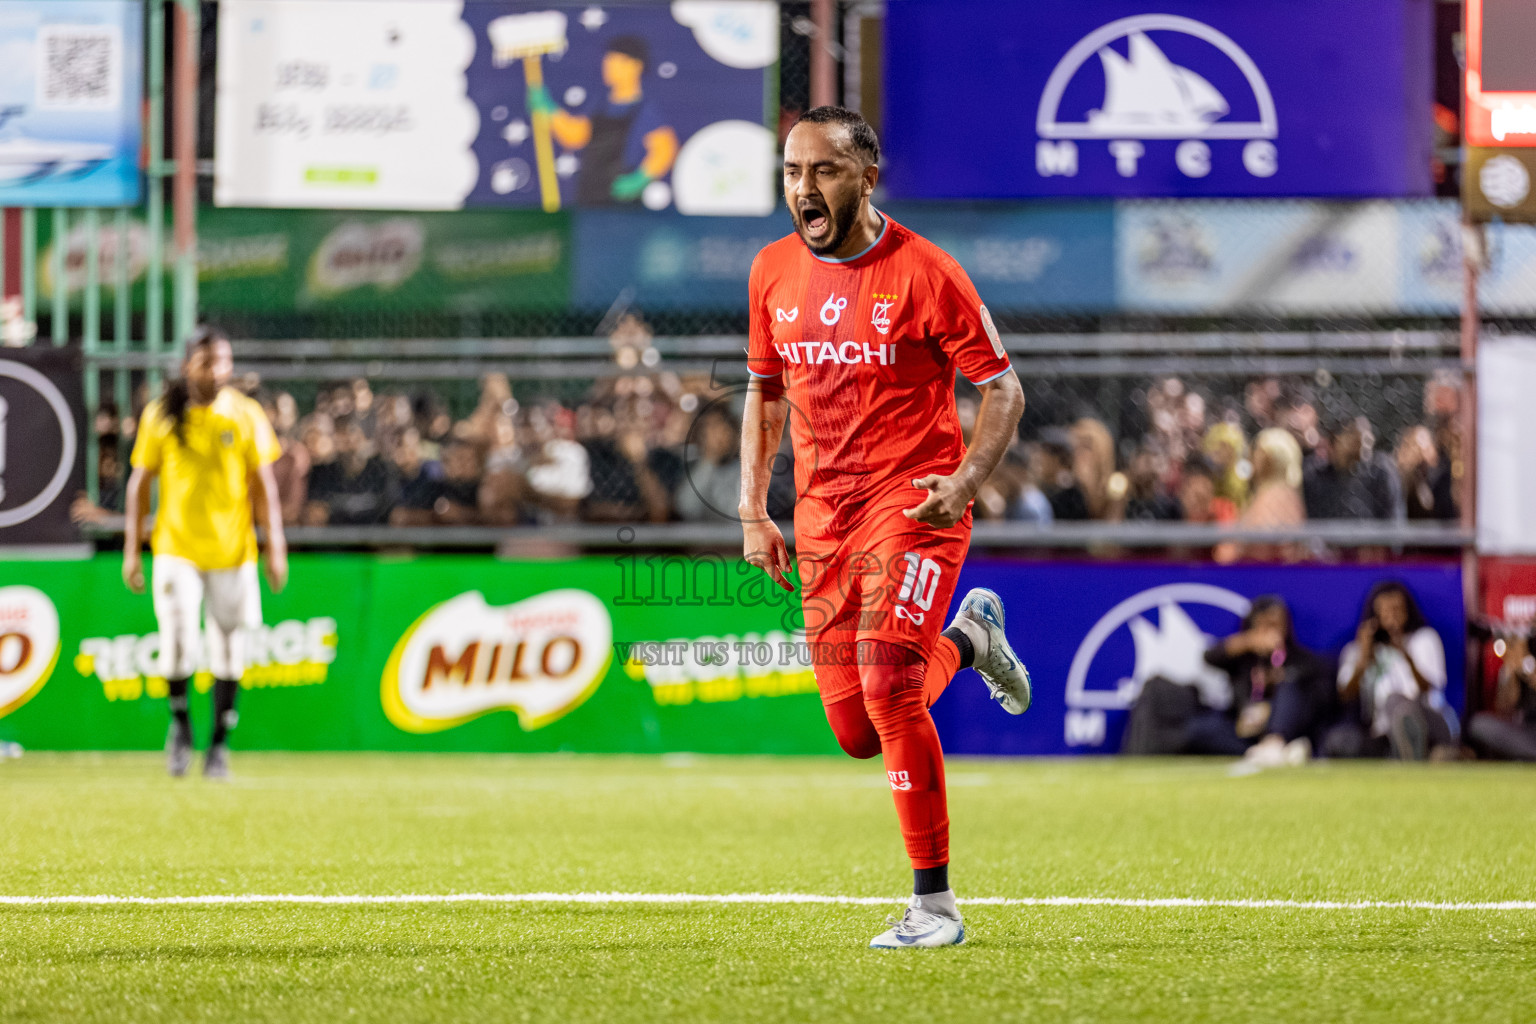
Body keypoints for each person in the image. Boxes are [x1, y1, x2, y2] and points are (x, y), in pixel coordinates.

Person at [739, 106, 1031, 950]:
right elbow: (763, 394)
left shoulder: (927, 273)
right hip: (821, 518)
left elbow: (1003, 390)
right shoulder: (770, 272)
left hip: (913, 506)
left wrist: (967, 480)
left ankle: (933, 907)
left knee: (888, 687)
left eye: (824, 170)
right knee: (857, 733)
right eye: (793, 172)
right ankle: (971, 641)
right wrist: (756, 511)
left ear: (867, 177)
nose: (804, 188)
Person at [123, 327, 287, 779]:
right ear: (187, 366)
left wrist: (276, 546)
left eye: (224, 361)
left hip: (233, 552)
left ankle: (218, 745)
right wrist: (132, 551)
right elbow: (140, 485)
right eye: (209, 362)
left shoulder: (246, 413)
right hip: (177, 549)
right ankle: (180, 727)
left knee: (230, 647)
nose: (219, 370)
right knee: (177, 644)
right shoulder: (162, 414)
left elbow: (264, 485)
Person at [537, 35, 679, 205]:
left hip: (621, 200)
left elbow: (665, 148)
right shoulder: (599, 105)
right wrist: (550, 110)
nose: (608, 67)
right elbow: (576, 137)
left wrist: (640, 178)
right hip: (588, 195)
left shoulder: (644, 110)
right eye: (607, 61)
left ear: (636, 66)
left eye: (616, 62)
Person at [1327, 582, 1454, 760]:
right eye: (1385, 613)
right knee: (1338, 740)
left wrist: (1405, 653)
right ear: (1374, 617)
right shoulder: (1357, 650)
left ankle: (1423, 751)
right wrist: (1363, 660)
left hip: (1428, 721)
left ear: (1408, 611)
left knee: (1395, 701)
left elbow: (1430, 689)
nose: (1391, 618)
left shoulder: (1424, 639)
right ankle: (1412, 757)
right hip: (1382, 732)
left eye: (1397, 610)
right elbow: (1345, 694)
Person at [1203, 596, 1331, 766]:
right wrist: (1248, 641)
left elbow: (1323, 694)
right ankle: (1276, 752)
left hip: (1284, 726)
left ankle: (1275, 743)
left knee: (1290, 685)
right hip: (1245, 729)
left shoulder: (1300, 658)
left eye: (1275, 624)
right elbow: (1210, 657)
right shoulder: (1244, 658)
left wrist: (1276, 678)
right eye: (1263, 624)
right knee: (1204, 730)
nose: (1270, 631)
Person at [1303, 416, 1404, 521]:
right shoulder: (1316, 477)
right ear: (1335, 441)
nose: (1362, 439)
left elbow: (1394, 518)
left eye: (1366, 434)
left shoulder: (1380, 472)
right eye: (1351, 433)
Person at [1465, 627, 1536, 761]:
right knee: (1479, 724)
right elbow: (1504, 706)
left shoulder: (1528, 661)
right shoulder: (1522, 654)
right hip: (1527, 730)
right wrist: (1511, 668)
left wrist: (1528, 666)